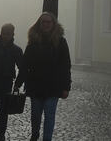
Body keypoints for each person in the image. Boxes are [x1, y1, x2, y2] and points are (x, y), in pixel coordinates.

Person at [14, 12, 71, 141]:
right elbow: (25, 64)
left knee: (49, 116)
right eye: (43, 22)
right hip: (35, 86)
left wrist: (66, 86)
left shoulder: (61, 42)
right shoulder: (33, 42)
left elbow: (65, 65)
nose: (45, 24)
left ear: (53, 24)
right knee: (35, 116)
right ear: (39, 24)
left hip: (53, 86)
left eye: (48, 22)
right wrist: (18, 83)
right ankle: (34, 135)